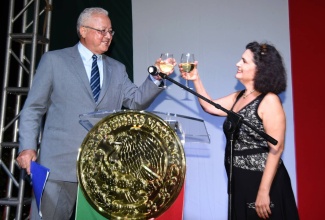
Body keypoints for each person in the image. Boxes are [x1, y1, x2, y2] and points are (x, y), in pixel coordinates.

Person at [16, 7, 173, 220]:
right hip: (58, 169)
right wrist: (27, 147)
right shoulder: (54, 61)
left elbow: (136, 102)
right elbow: (33, 108)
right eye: (102, 31)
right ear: (83, 31)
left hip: (102, 172)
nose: (108, 36)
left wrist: (157, 77)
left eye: (110, 32)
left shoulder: (117, 68)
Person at [179, 41, 299, 219]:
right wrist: (196, 79)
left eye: (244, 61)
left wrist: (264, 191)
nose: (237, 64)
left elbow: (277, 148)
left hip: (262, 182)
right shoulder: (239, 96)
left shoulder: (269, 100)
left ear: (259, 69)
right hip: (239, 180)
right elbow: (211, 107)